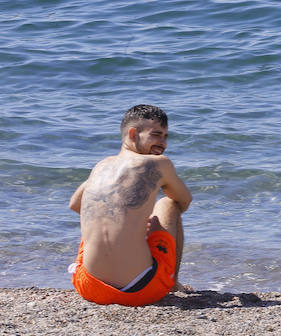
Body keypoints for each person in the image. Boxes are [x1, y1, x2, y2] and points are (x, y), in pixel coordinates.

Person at [68, 104, 192, 306]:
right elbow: (183, 200)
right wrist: (148, 225)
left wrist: (130, 221)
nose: (163, 144)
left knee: (104, 209)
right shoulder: (160, 163)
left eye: (166, 137)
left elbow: (75, 204)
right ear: (133, 133)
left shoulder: (102, 165)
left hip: (88, 286)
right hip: (141, 290)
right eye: (157, 135)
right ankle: (172, 284)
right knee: (168, 203)